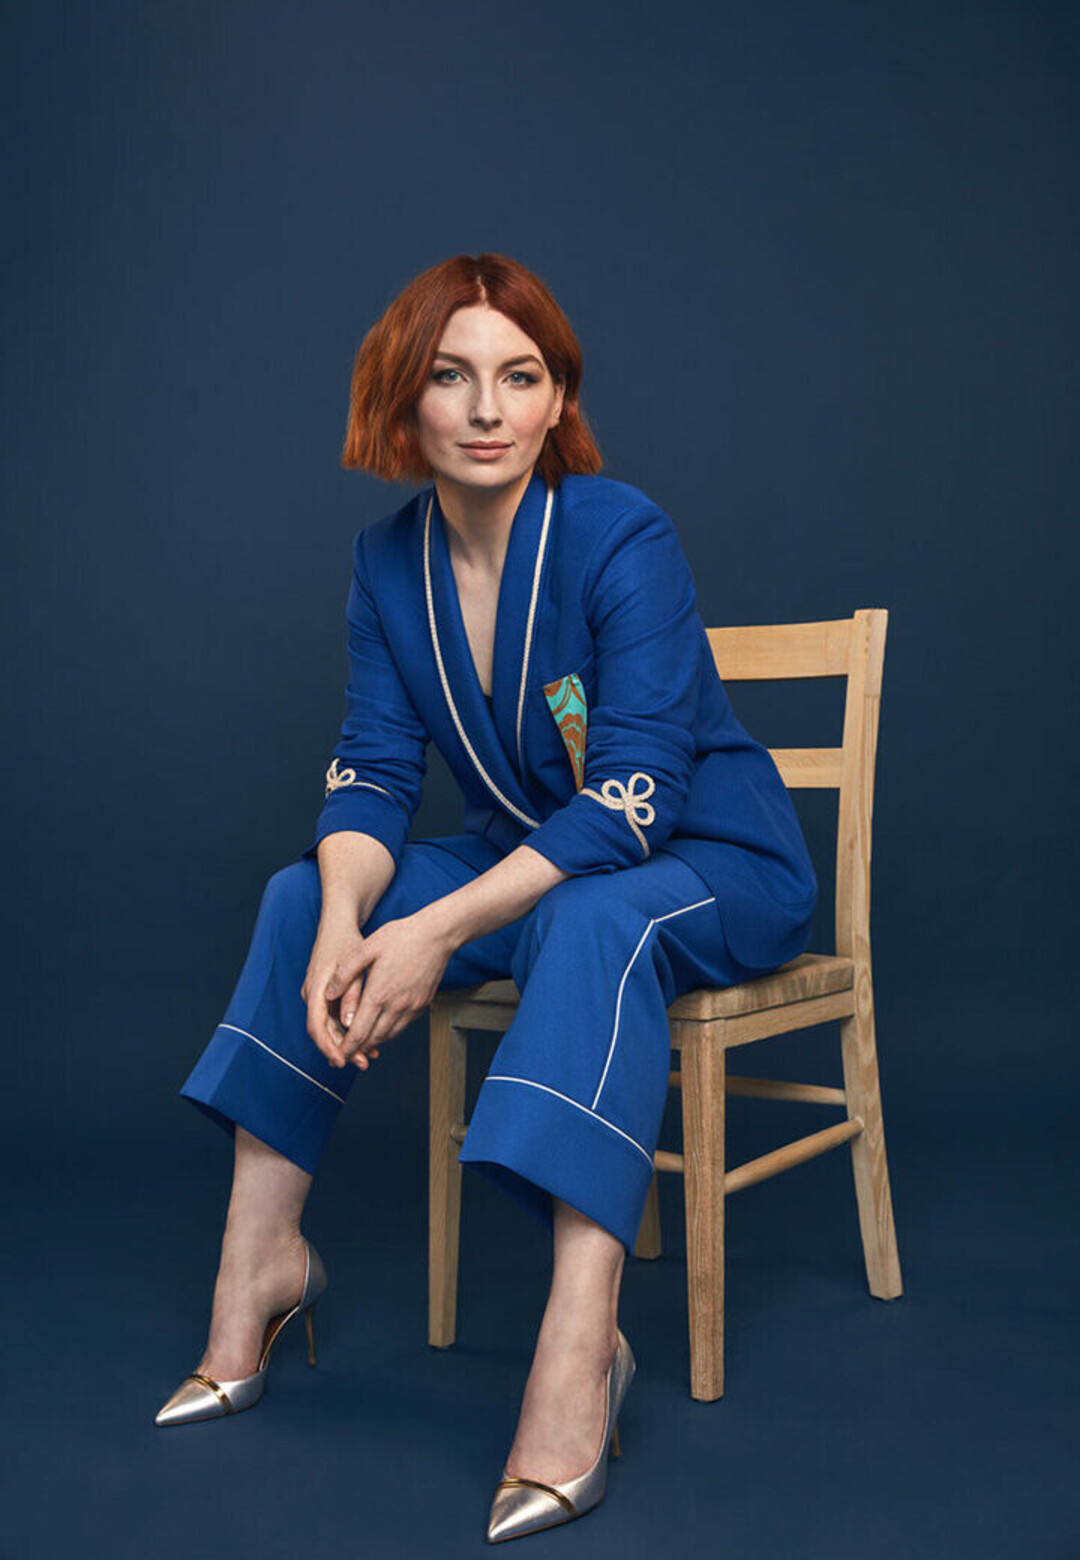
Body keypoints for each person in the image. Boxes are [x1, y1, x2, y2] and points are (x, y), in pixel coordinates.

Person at [155, 252, 819, 1543]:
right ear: (404, 402)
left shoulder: (622, 534)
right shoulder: (386, 563)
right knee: (301, 895)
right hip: (528, 857)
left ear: (558, 396)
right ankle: (262, 1269)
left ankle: (583, 1342)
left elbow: (631, 797)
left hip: (710, 862)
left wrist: (437, 928)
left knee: (592, 915)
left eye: (519, 378)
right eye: (451, 377)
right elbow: (371, 770)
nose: (484, 409)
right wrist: (352, 922)